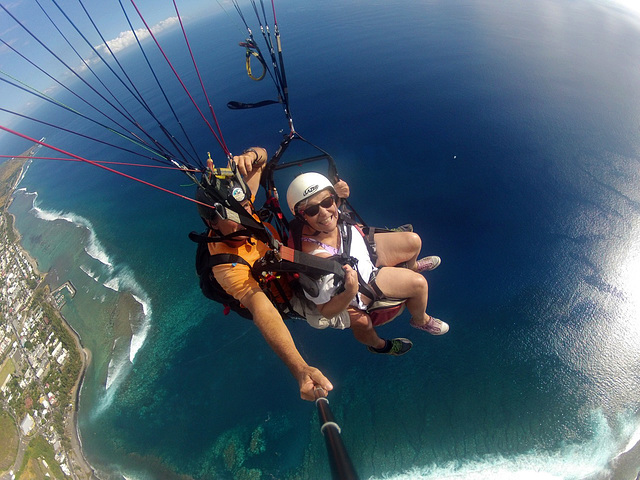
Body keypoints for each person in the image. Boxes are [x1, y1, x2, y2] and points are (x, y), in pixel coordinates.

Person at [195, 148, 333, 401]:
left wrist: (251, 156)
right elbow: (262, 309)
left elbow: (261, 160)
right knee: (345, 303)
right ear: (212, 223)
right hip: (289, 300)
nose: (247, 217)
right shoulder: (227, 266)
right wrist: (300, 369)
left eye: (247, 205)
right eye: (235, 214)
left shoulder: (240, 210)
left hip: (288, 268)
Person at [286, 172, 449, 356]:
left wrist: (341, 193)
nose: (324, 212)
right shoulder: (317, 264)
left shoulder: (325, 217)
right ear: (302, 217)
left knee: (414, 241)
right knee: (419, 285)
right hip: (363, 281)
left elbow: (330, 204)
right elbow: (325, 311)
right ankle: (416, 322)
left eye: (327, 202)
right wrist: (349, 291)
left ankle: (409, 268)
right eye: (312, 210)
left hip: (363, 252)